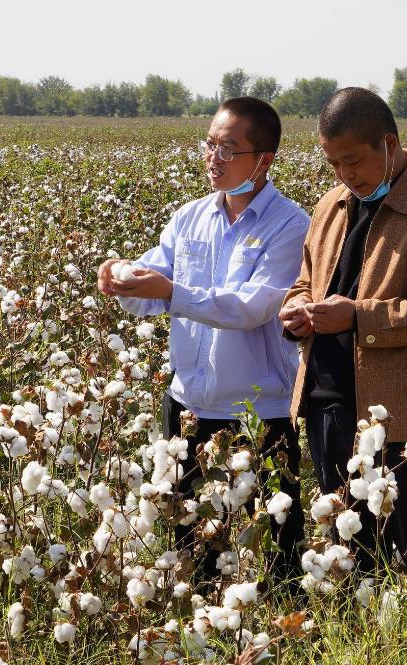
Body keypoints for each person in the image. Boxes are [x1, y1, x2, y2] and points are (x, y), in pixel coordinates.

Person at [97, 97, 310, 586]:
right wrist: (122, 279)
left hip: (260, 412)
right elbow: (155, 289)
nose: (213, 157)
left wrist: (170, 291)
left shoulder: (291, 226)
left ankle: (284, 639)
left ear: (263, 160)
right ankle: (200, 641)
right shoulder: (190, 218)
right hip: (189, 405)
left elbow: (253, 306)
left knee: (276, 539)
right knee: (192, 544)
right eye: (210, 143)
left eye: (228, 148)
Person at [279, 87, 407, 576]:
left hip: (402, 421)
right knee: (345, 554)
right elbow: (306, 280)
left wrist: (360, 318)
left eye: (353, 161)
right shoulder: (331, 207)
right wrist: (297, 309)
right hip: (328, 406)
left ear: (389, 145)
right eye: (334, 164)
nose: (346, 175)